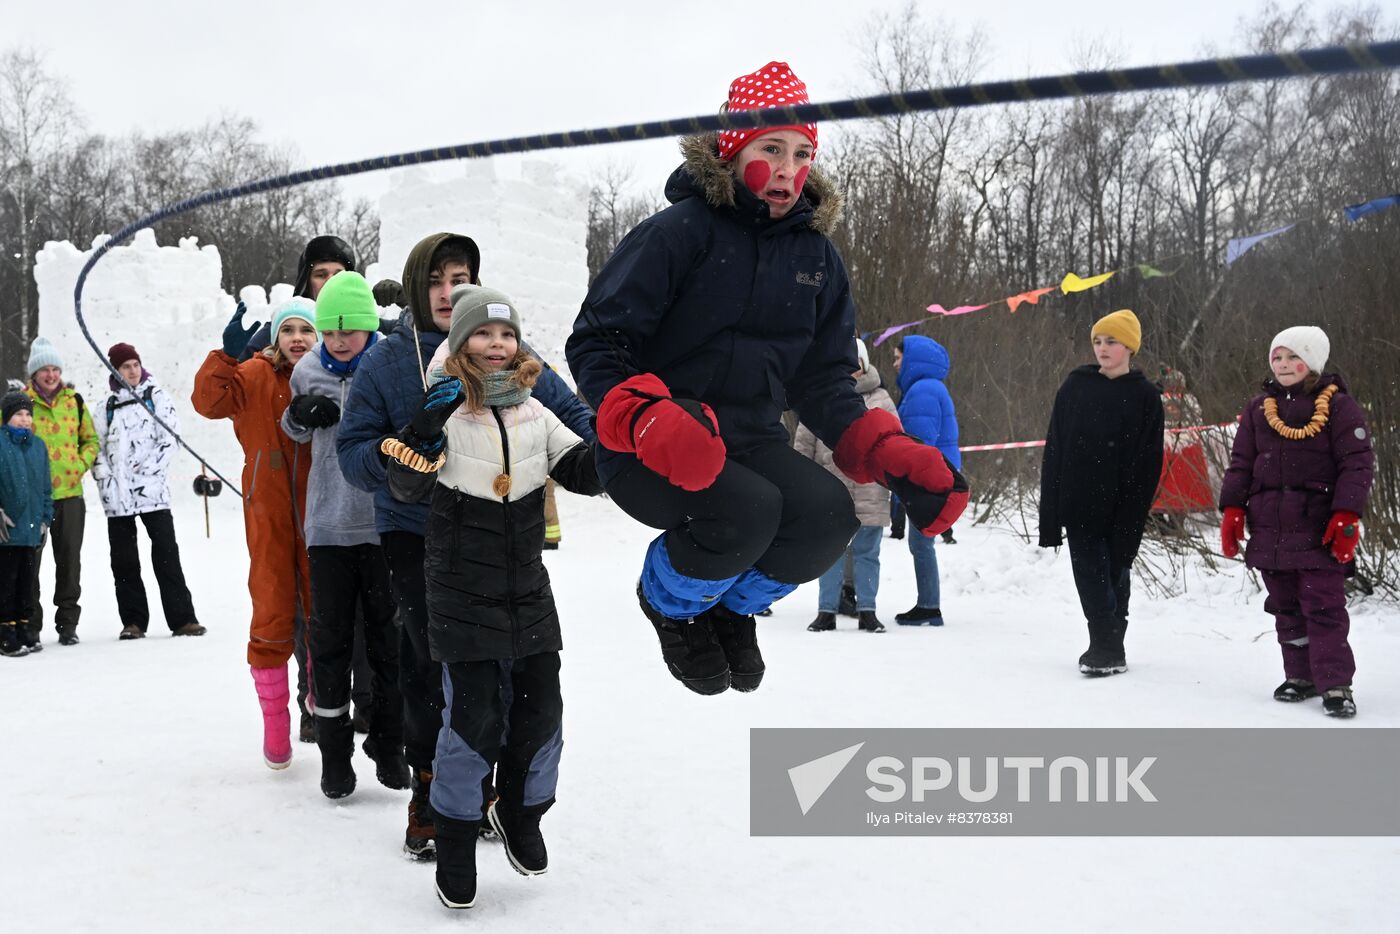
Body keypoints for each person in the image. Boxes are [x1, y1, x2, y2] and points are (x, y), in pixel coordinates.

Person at [567, 61, 966, 696]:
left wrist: (885, 448)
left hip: (750, 442)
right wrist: (645, 414)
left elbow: (827, 380)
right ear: (732, 148)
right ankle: (669, 602)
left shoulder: (817, 257)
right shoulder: (678, 233)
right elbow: (597, 340)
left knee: (826, 517)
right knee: (748, 508)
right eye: (771, 148)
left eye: (802, 152)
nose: (788, 168)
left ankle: (728, 607)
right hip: (652, 443)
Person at [337, 231, 597, 860]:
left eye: (462, 278)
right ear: (417, 282)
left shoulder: (509, 353)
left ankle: (493, 790)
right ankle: (430, 792)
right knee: (432, 666)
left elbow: (574, 420)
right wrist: (403, 447)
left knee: (510, 670)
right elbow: (354, 454)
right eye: (437, 279)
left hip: (504, 536)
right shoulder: (388, 359)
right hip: (415, 531)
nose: (450, 291)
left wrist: (616, 443)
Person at [280, 271, 407, 796]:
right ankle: (335, 754)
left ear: (367, 327)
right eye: (329, 333)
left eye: (347, 332)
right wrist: (298, 414)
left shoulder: (388, 365)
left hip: (383, 525)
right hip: (328, 526)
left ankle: (388, 741)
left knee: (388, 641)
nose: (337, 342)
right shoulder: (307, 371)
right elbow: (292, 430)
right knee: (328, 640)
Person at [1219, 327, 1373, 718]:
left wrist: (1346, 514)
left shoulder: (1339, 407)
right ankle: (1300, 676)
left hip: (1318, 530)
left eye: (1293, 357)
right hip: (1270, 530)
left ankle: (1335, 684)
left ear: (1313, 363)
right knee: (1286, 607)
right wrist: (1233, 509)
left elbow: (1356, 464)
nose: (1284, 365)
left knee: (1324, 608)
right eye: (1277, 358)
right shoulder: (1258, 410)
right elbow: (1240, 464)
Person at [192, 297, 316, 769]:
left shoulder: (328, 374)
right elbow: (208, 402)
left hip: (320, 510)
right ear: (276, 337)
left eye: (307, 329)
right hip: (266, 511)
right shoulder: (253, 374)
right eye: (289, 330)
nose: (298, 338)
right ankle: (275, 726)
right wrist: (224, 358)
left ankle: (320, 703)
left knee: (323, 610)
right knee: (271, 612)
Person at [1039, 309, 1164, 676]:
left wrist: (1136, 502)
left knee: (1116, 570)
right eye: (1097, 341)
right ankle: (1104, 643)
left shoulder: (1144, 396)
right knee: (1090, 573)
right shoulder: (1076, 385)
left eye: (1111, 341)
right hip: (1079, 499)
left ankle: (1113, 642)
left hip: (1123, 500)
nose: (1103, 348)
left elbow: (1148, 458)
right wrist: (1053, 501)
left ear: (1130, 347)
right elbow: (1056, 445)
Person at [92, 343, 204, 640]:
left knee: (166, 553)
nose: (132, 370)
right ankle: (133, 621)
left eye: (135, 364)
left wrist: (149, 469)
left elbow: (170, 438)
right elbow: (96, 448)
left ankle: (182, 619)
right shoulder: (106, 407)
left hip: (152, 491)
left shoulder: (155, 398)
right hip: (118, 497)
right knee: (124, 561)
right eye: (125, 366)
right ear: (115, 370)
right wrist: (106, 480)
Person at [798, 339, 898, 633]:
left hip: (871, 491)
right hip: (831, 492)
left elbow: (894, 443)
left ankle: (867, 610)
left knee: (868, 553)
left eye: (855, 364)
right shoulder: (821, 399)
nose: (851, 370)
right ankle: (826, 610)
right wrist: (804, 483)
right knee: (831, 552)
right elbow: (804, 444)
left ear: (864, 365)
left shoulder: (881, 400)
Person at [24, 337, 99, 649]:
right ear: (35, 373)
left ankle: (68, 623)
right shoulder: (21, 404)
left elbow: (91, 441)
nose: (51, 375)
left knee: (69, 561)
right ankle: (31, 625)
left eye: (55, 369)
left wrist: (79, 464)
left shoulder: (74, 402)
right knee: (30, 563)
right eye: (45, 370)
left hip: (70, 496)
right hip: (32, 499)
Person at [892, 335, 962, 625]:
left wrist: (902, 478)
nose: (895, 364)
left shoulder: (923, 391)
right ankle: (928, 603)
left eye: (898, 358)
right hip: (933, 476)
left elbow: (919, 442)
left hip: (929, 479)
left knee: (922, 543)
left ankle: (929, 607)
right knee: (921, 542)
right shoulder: (925, 388)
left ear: (911, 361)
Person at [0, 392, 52, 658]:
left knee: (26, 583)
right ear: (7, 417)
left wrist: (45, 519)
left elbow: (45, 488)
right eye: (18, 414)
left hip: (31, 529)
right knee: (5, 582)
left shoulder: (38, 446)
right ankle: (5, 631)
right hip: (7, 530)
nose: (24, 419)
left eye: (28, 414)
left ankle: (24, 627)